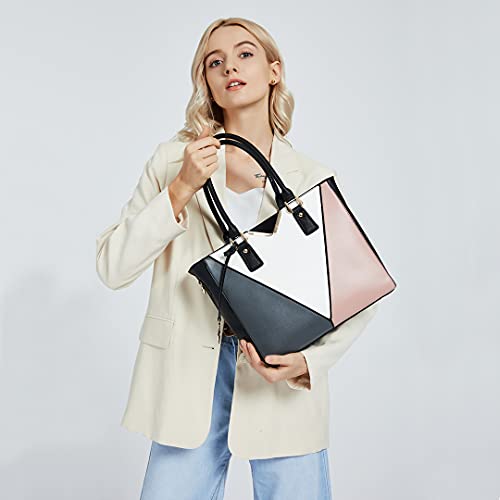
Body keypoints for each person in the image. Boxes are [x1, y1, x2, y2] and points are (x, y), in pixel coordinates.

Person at [96, 16, 379, 500]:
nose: (230, 66)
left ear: (274, 70)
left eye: (245, 54)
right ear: (205, 81)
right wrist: (180, 189)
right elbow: (113, 267)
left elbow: (357, 291)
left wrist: (308, 362)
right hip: (187, 374)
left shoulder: (310, 177)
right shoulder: (172, 162)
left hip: (278, 376)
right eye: (215, 61)